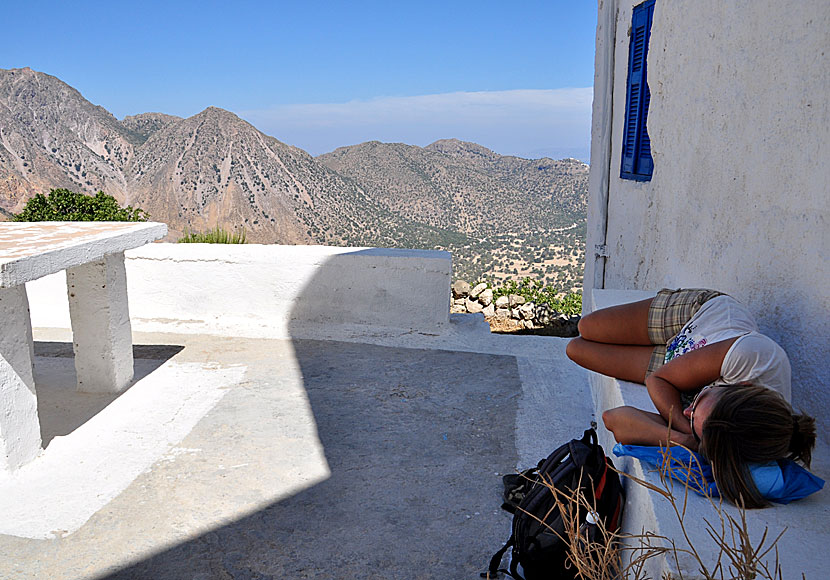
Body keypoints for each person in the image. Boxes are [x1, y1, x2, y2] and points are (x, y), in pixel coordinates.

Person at [566, 288, 816, 508]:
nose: (685, 412)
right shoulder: (754, 357)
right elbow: (659, 380)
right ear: (742, 385)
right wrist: (691, 429)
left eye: (692, 417)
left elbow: (616, 419)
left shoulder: (733, 435)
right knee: (587, 327)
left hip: (673, 365)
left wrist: (687, 439)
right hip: (698, 320)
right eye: (698, 401)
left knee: (577, 349)